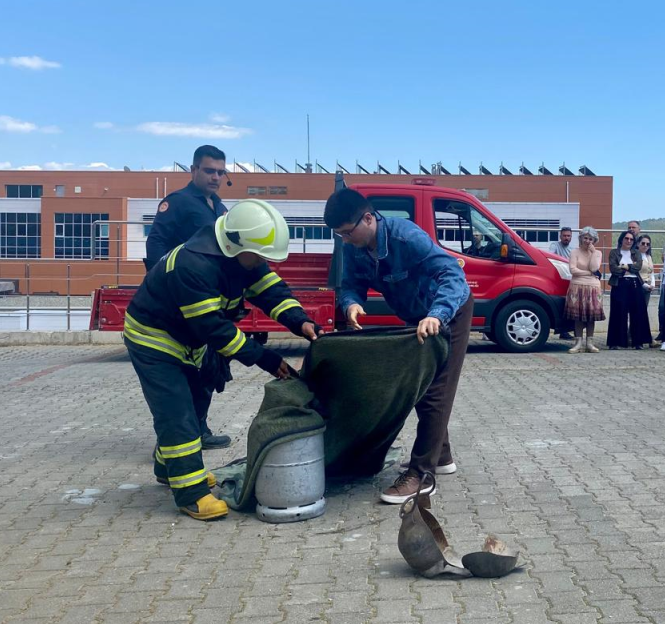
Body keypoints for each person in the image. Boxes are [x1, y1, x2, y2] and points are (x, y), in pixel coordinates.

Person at [124, 200, 318, 521]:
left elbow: (271, 291)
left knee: (197, 402)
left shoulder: (243, 255)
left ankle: (168, 466)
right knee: (178, 413)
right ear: (235, 245)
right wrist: (266, 359)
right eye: (259, 256)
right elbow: (214, 328)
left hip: (189, 339)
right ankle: (191, 493)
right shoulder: (193, 266)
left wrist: (301, 322)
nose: (262, 262)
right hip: (154, 340)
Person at [325, 188, 473, 504]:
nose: (345, 240)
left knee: (437, 390)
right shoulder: (354, 247)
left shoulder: (406, 237)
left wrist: (437, 315)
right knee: (420, 385)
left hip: (450, 310)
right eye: (340, 236)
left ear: (368, 218)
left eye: (348, 232)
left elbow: (453, 275)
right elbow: (350, 285)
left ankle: (422, 475)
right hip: (417, 316)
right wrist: (352, 304)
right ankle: (441, 455)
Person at [144, 145, 234, 449]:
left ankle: (199, 429)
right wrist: (164, 289)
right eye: (209, 171)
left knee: (208, 370)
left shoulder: (220, 208)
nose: (215, 177)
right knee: (177, 376)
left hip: (210, 303)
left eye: (220, 172)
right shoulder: (177, 203)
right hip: (180, 304)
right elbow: (156, 245)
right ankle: (172, 441)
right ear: (194, 170)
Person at [565, 227, 604, 353]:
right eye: (585, 238)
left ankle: (590, 343)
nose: (587, 241)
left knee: (591, 316)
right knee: (578, 316)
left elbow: (594, 268)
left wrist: (593, 253)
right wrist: (588, 273)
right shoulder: (574, 252)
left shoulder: (598, 253)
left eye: (590, 239)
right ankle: (578, 343)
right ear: (581, 238)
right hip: (577, 286)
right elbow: (573, 270)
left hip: (593, 287)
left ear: (594, 240)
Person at [607, 231, 648, 349]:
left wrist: (624, 266)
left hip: (635, 283)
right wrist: (629, 268)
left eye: (631, 239)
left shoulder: (636, 253)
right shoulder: (614, 252)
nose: (629, 241)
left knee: (638, 312)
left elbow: (638, 267)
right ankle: (616, 342)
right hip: (619, 283)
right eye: (626, 238)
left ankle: (638, 342)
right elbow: (613, 269)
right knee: (618, 312)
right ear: (621, 239)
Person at [548, 227, 574, 338]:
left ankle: (567, 331)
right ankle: (562, 332)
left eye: (568, 236)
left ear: (571, 237)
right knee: (561, 305)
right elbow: (550, 255)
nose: (566, 238)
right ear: (560, 236)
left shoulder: (572, 250)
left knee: (569, 306)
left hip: (570, 280)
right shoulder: (555, 245)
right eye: (564, 236)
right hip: (557, 279)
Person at [635, 234, 657, 345]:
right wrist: (644, 285)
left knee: (642, 313)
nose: (645, 246)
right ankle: (640, 337)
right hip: (639, 286)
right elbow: (635, 272)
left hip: (648, 287)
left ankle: (640, 337)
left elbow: (651, 272)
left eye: (647, 244)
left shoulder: (649, 257)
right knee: (638, 313)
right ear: (638, 244)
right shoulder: (635, 256)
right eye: (643, 243)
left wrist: (652, 284)